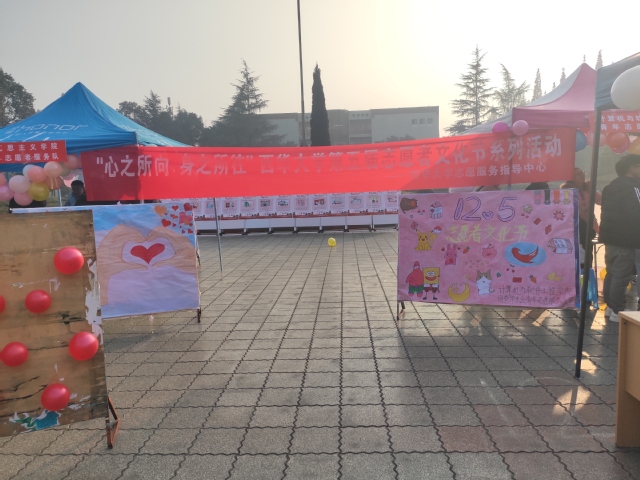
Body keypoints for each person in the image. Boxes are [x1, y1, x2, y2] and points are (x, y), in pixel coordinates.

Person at [598, 154, 640, 322]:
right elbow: (636, 212)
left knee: (612, 272)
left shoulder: (610, 187)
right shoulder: (632, 187)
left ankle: (610, 307)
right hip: (626, 238)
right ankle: (617, 310)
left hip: (611, 237)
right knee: (622, 275)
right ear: (631, 168)